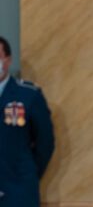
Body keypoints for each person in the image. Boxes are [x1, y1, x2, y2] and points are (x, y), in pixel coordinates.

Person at [0, 36, 55, 207]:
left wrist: (27, 173)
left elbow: (45, 143)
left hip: (18, 193)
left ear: (7, 60)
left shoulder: (29, 95)